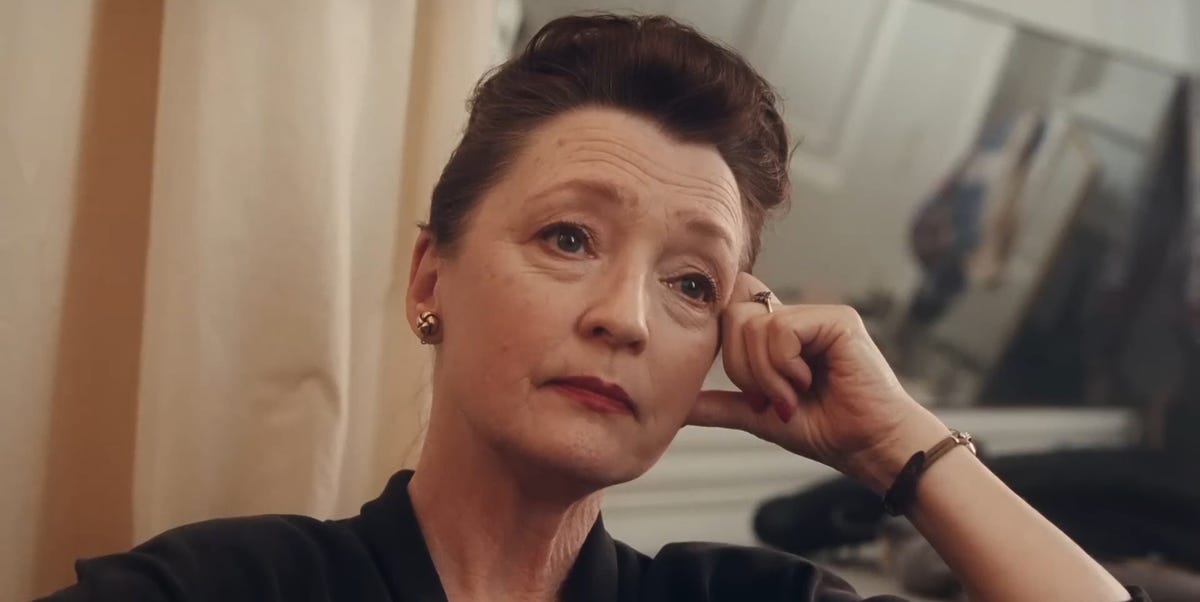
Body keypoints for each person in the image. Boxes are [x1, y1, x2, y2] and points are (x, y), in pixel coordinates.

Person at [38, 13, 1149, 602]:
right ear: (430, 279)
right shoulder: (226, 585)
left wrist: (895, 445)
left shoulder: (752, 600)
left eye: (692, 283)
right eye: (568, 237)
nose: (627, 317)